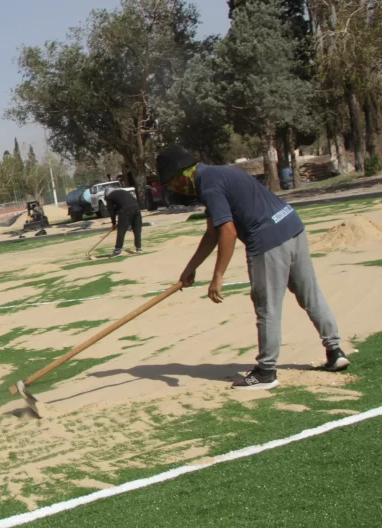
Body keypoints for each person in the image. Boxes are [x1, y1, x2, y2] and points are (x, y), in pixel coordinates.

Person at [156, 145, 350, 391]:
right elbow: (212, 233)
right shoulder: (217, 174)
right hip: (292, 226)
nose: (173, 188)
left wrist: (217, 277)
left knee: (266, 306)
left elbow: (228, 231)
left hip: (267, 240)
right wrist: (191, 268)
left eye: (171, 183)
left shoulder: (208, 185)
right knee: (310, 294)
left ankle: (266, 372)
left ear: (182, 174)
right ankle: (335, 351)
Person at [105, 186, 142, 256]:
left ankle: (118, 250)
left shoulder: (109, 197)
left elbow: (111, 211)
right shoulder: (122, 191)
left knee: (121, 230)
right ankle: (138, 247)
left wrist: (113, 223)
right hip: (136, 208)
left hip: (125, 211)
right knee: (137, 228)